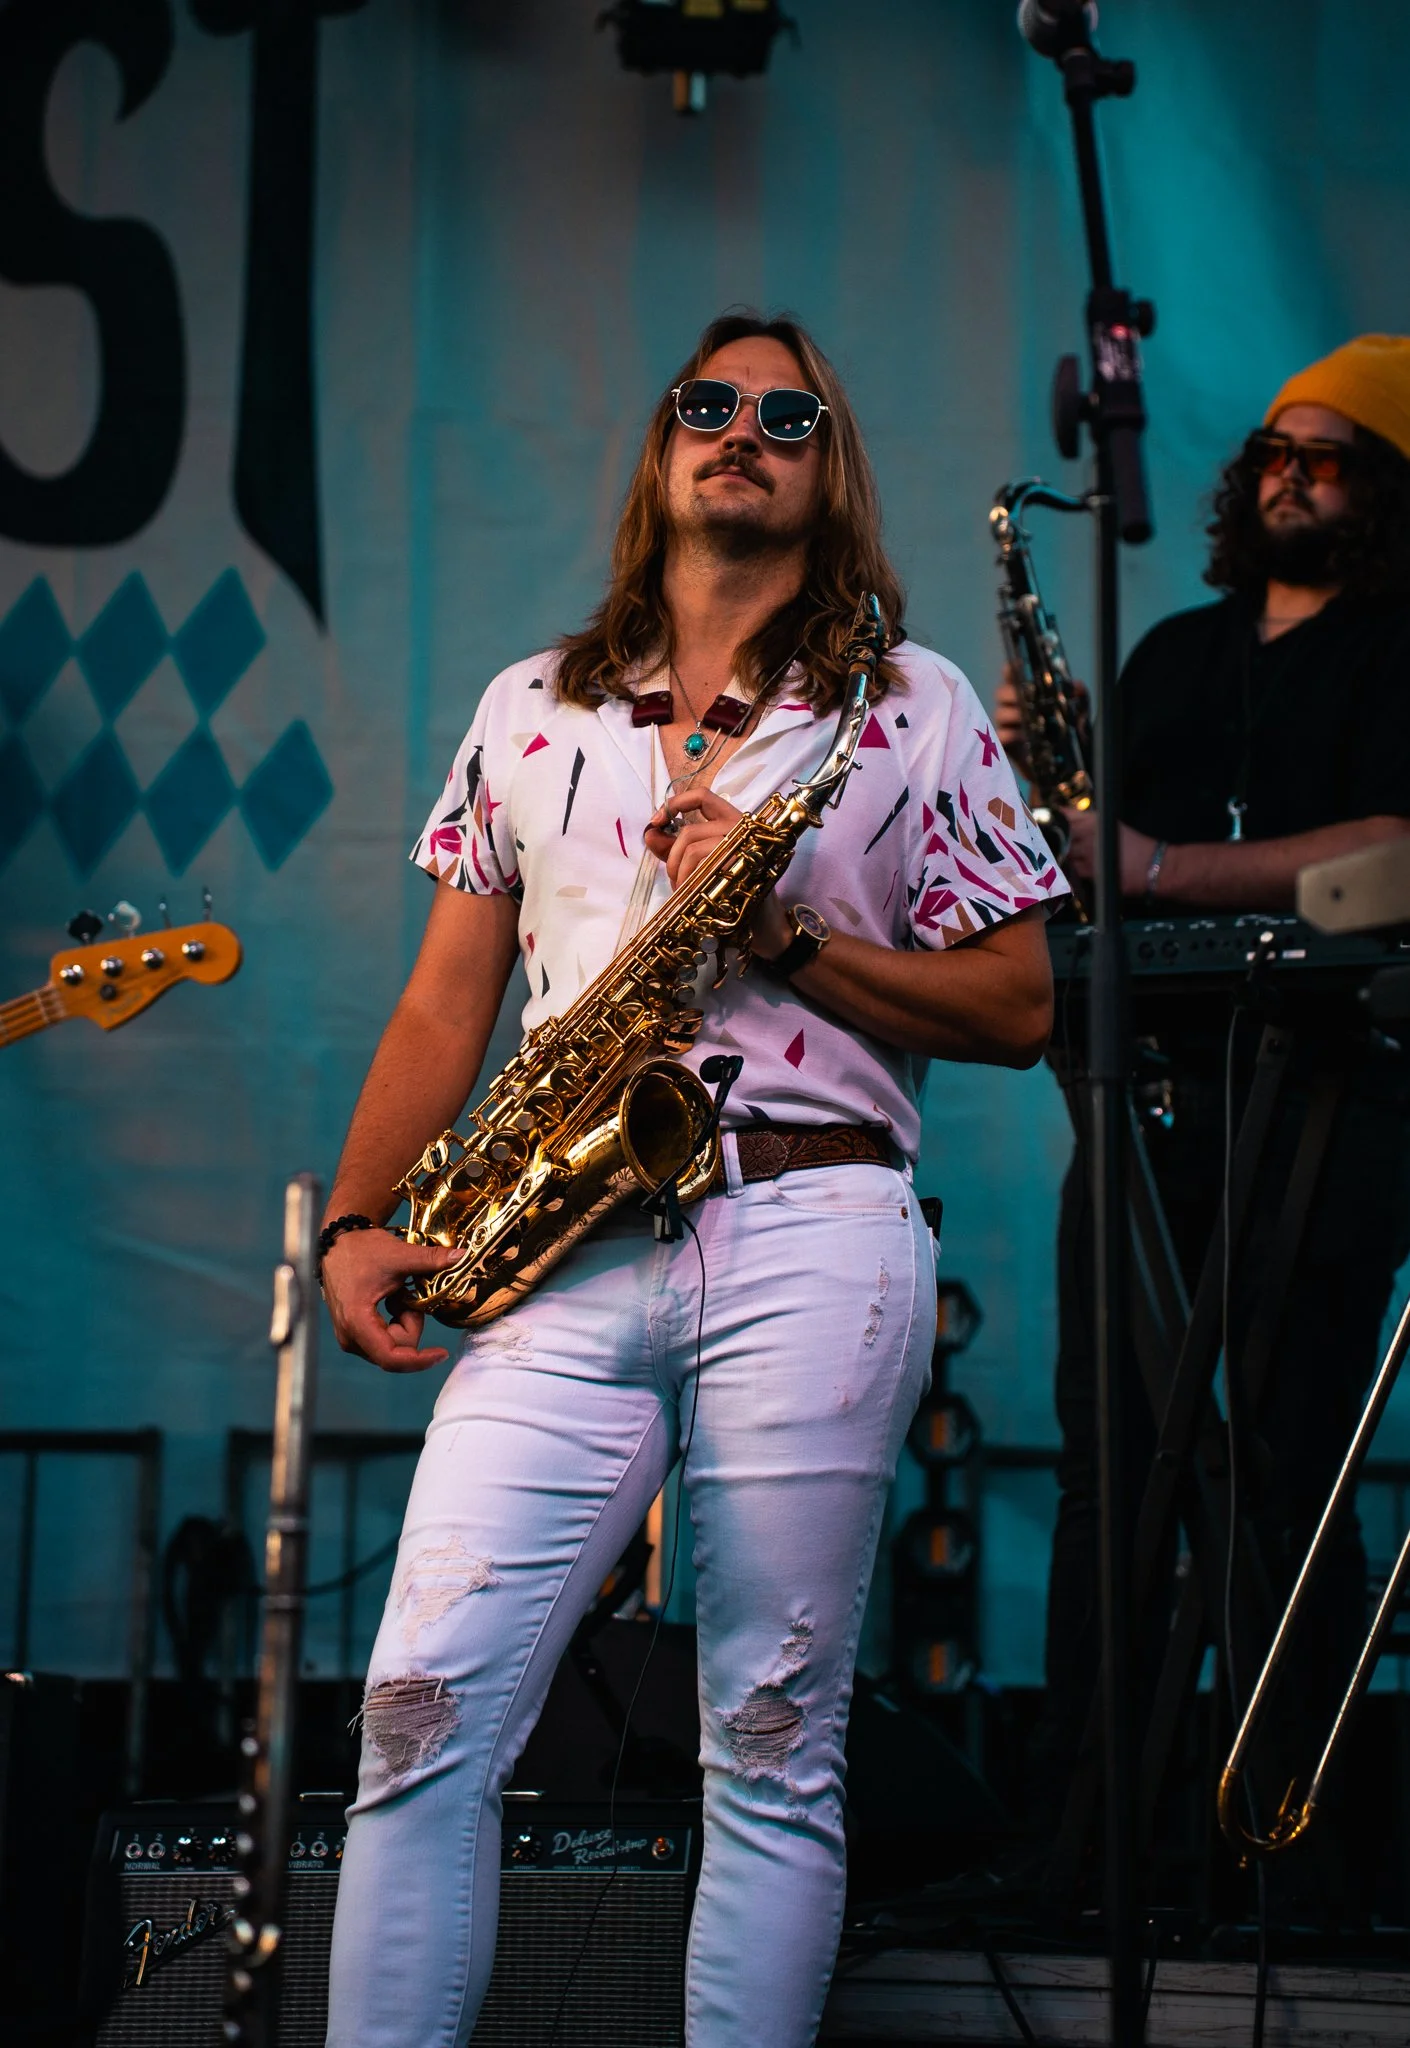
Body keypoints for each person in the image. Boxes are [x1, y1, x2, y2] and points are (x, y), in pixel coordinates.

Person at [320, 310, 1062, 2046]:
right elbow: (448, 998)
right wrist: (363, 1215)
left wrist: (789, 932)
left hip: (814, 1218)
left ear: (828, 468)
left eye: (785, 415)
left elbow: (1021, 1006)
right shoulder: (528, 706)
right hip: (562, 1245)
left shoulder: (912, 703)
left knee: (775, 1744)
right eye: (707, 404)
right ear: (661, 448)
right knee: (416, 1719)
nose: (743, 431)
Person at [998, 334, 1410, 1900]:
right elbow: (1083, 854)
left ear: (1380, 491)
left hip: (1329, 1098)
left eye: (1326, 454)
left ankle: (1289, 1842)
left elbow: (1386, 856)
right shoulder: (1171, 649)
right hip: (1147, 1093)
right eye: (1268, 450)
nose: (1283, 474)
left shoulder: (1395, 646)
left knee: (1282, 1461)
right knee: (1110, 1466)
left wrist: (1153, 868)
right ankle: (1077, 1835)